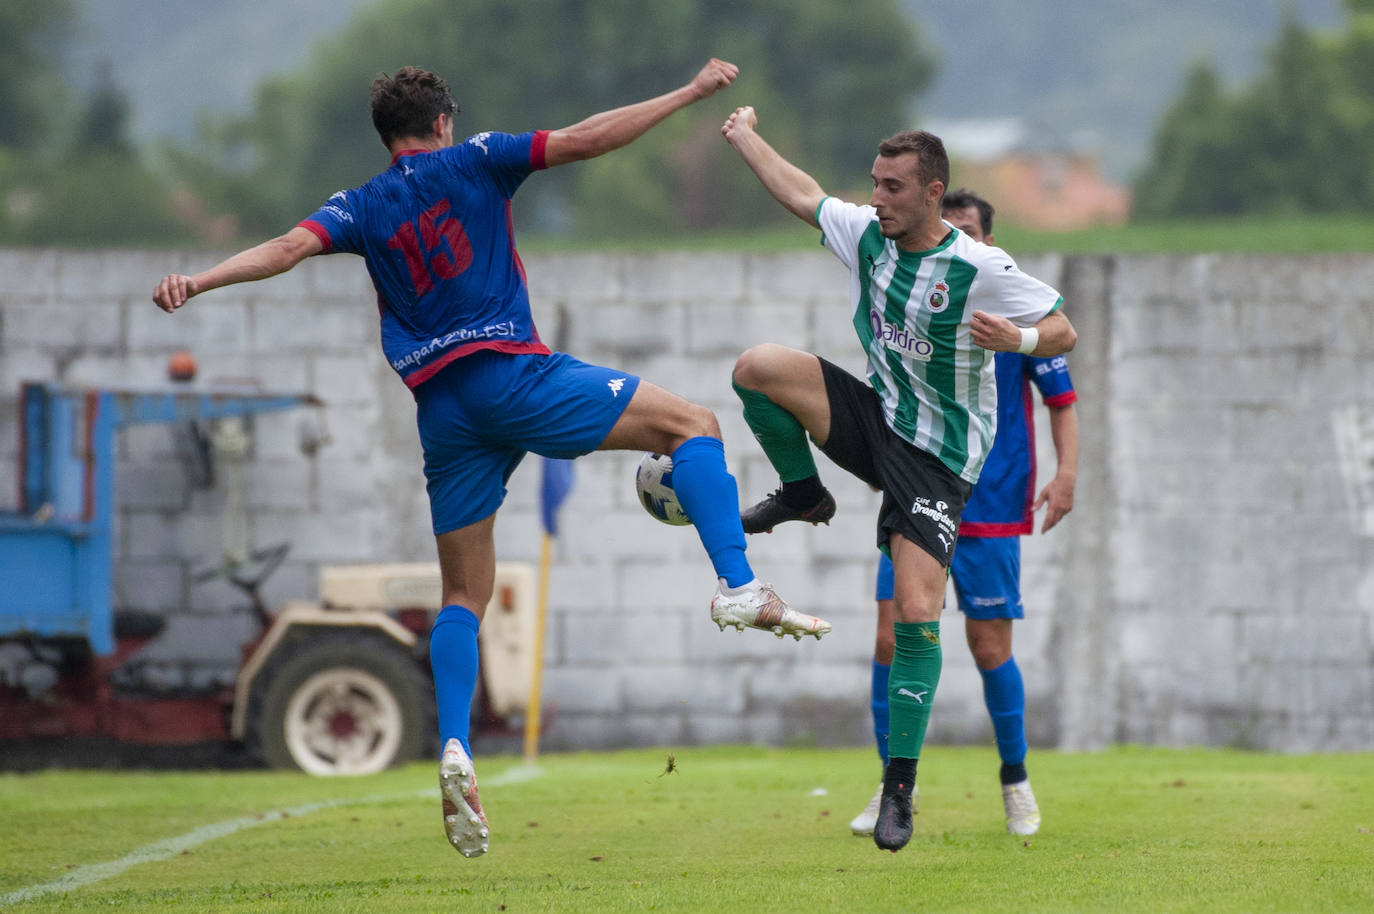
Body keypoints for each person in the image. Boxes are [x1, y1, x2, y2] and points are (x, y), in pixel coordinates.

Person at [152, 59, 831, 859]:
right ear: (442, 122)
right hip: (511, 375)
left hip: (443, 414)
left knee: (464, 594)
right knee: (694, 423)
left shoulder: (361, 204)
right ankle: (738, 585)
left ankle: (453, 745)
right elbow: (585, 140)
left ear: (386, 138)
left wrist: (199, 280)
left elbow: (286, 249)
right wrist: (686, 94)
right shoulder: (476, 157)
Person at [720, 108, 1076, 853]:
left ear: (931, 193)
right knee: (755, 368)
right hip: (878, 417)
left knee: (916, 613)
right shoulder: (864, 235)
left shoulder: (978, 267)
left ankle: (900, 791)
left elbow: (1063, 328)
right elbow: (799, 191)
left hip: (938, 459)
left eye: (892, 187)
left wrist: (1020, 339)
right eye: (875, 184)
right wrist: (747, 135)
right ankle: (804, 491)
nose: (876, 198)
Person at [847, 189, 1079, 839]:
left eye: (972, 232)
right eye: (953, 229)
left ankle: (1016, 781)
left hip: (993, 501)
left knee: (987, 646)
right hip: (920, 490)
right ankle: (892, 787)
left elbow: (1061, 395)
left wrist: (1066, 475)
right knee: (890, 639)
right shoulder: (920, 300)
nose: (961, 241)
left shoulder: (1008, 301)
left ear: (990, 242)